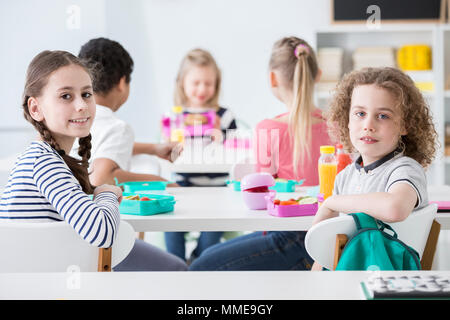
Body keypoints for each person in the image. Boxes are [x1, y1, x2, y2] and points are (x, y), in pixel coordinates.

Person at [0, 50, 187, 271]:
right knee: (176, 269)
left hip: (41, 279)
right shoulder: (45, 164)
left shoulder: (42, 158)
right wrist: (107, 193)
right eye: (66, 96)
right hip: (47, 285)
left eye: (87, 94)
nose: (81, 105)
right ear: (35, 108)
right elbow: (102, 232)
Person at [189, 36, 331, 271]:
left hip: (291, 241)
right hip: (328, 237)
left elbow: (263, 202)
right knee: (209, 254)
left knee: (199, 267)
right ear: (318, 75)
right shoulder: (339, 126)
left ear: (273, 78)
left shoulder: (268, 129)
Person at [310, 66, 438, 270]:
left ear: (405, 125)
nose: (368, 125)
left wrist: (332, 202)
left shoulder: (406, 169)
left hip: (391, 283)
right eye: (360, 113)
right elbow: (325, 253)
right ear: (347, 121)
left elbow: (395, 208)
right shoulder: (345, 177)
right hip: (346, 279)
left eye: (383, 116)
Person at [73, 37, 180, 187]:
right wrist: (162, 182)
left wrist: (154, 149)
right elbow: (100, 178)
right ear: (122, 83)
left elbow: (105, 145)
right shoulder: (117, 128)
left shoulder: (74, 118)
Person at [164, 48, 237, 262]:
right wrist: (177, 144)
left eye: (208, 83)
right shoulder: (174, 115)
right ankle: (174, 262)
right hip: (183, 185)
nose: (202, 89)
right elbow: (167, 154)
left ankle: (198, 260)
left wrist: (218, 135)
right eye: (196, 83)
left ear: (217, 84)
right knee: (171, 221)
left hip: (216, 188)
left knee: (214, 226)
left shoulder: (225, 116)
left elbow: (234, 153)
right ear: (182, 83)